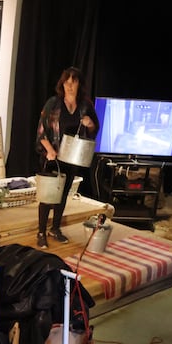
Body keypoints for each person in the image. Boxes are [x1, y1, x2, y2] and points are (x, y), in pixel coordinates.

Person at [35, 66, 99, 249]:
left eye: (74, 82)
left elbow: (94, 128)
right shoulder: (53, 103)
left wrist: (90, 123)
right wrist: (49, 150)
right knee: (48, 195)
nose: (70, 86)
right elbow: (41, 131)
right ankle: (41, 232)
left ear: (79, 85)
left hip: (72, 157)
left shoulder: (85, 105)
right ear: (62, 84)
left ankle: (55, 228)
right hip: (52, 157)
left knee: (63, 195)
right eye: (67, 82)